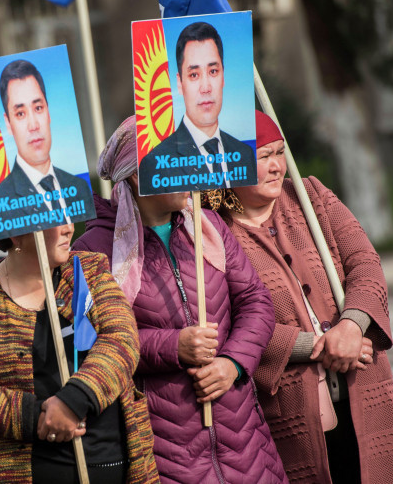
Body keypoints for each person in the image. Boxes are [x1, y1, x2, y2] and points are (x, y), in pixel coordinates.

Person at [206, 109, 393, 483]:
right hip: (292, 408)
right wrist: (319, 346)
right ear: (231, 165)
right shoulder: (212, 229)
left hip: (363, 383)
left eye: (280, 153)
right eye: (263, 157)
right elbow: (230, 321)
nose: (277, 166)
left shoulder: (310, 195)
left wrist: (351, 327)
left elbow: (365, 264)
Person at [73, 116, 288, 483]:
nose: (191, 169)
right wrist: (174, 346)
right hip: (164, 451)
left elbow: (255, 301)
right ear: (138, 175)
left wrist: (233, 364)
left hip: (245, 442)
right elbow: (90, 342)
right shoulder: (92, 250)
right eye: (176, 159)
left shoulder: (209, 226)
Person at [0, 223, 159, 483]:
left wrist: (74, 400)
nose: (69, 228)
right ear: (17, 232)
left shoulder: (89, 270)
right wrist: (38, 416)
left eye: (68, 216)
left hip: (115, 466)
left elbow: (122, 340)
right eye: (56, 220)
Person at [0, 60, 93, 241]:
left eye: (38, 108)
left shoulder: (79, 188)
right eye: (20, 114)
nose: (33, 125)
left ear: (48, 112)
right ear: (8, 123)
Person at [138, 21, 255, 194]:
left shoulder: (245, 154)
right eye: (194, 75)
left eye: (213, 71)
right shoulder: (156, 163)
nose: (206, 87)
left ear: (223, 76)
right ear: (179, 83)